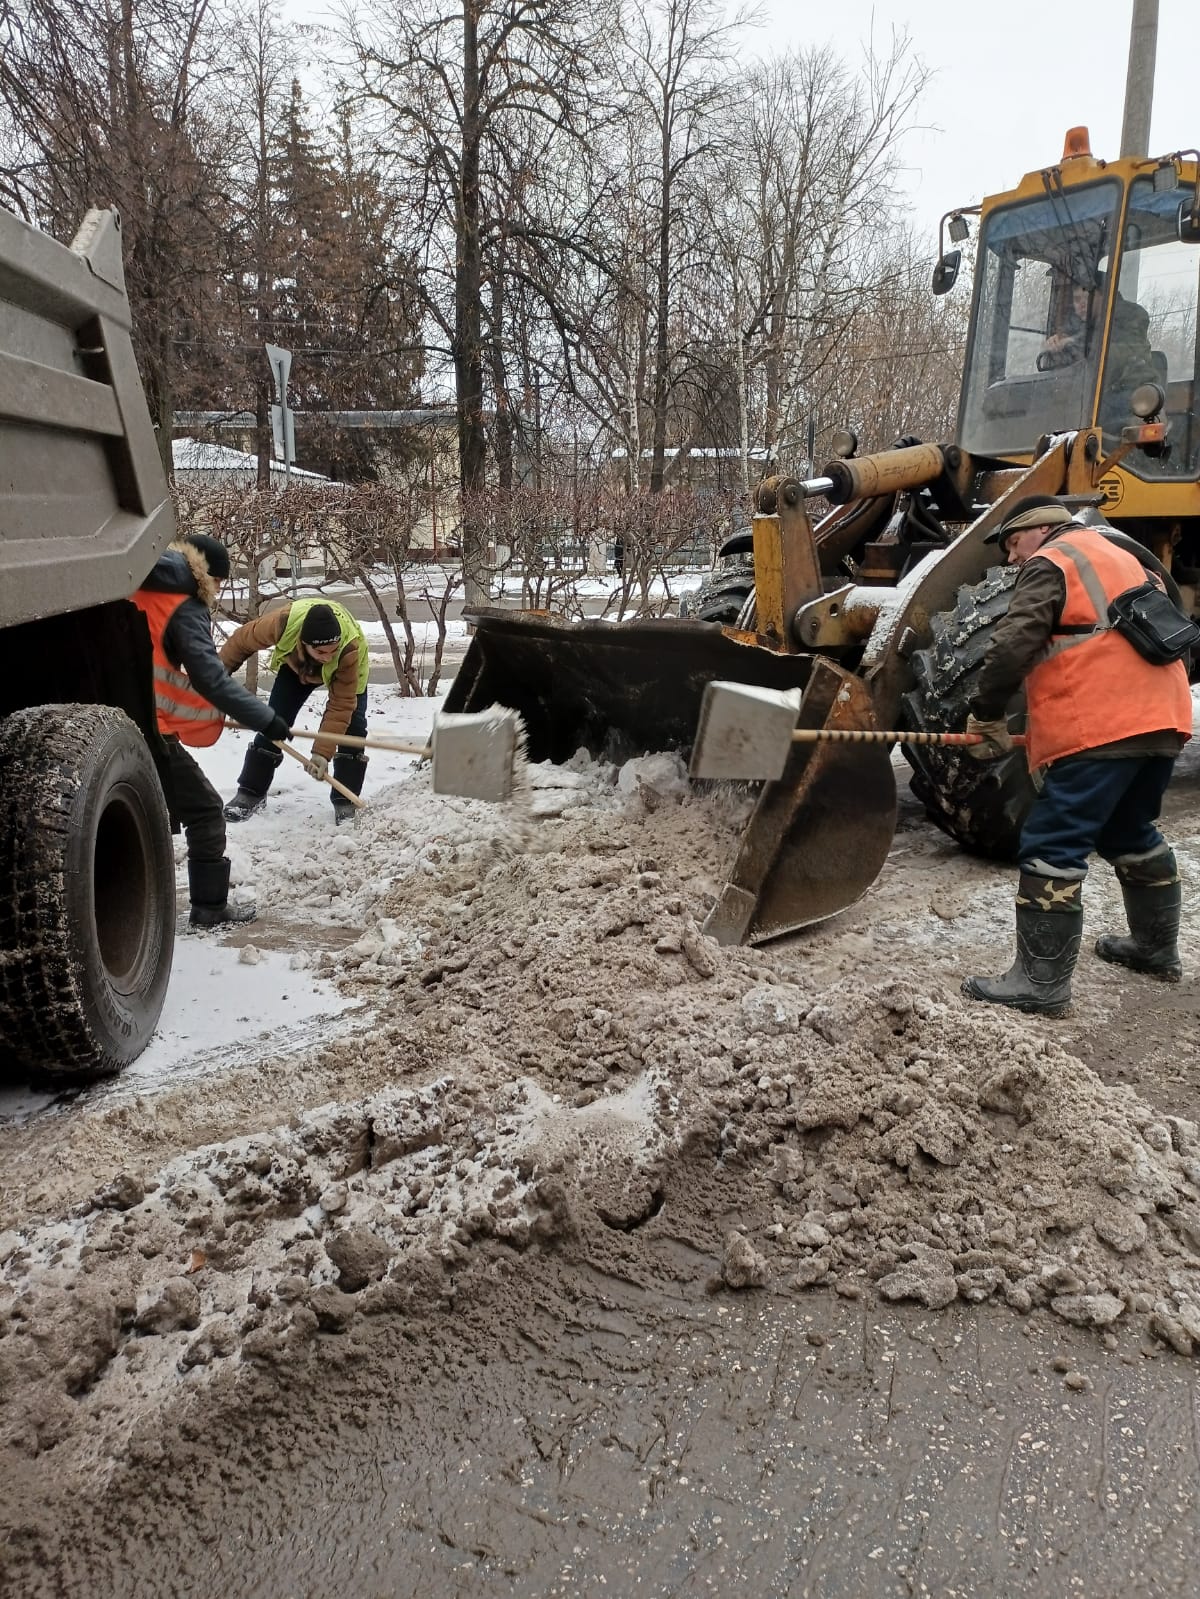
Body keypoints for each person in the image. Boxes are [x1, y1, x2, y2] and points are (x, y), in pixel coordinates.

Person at [962, 494, 1192, 1016]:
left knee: (1053, 841)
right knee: (1129, 830)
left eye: (1012, 544)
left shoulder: (1053, 561)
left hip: (1103, 726)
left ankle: (1040, 985)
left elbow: (1014, 643)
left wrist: (986, 713)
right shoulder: (1126, 556)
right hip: (1163, 719)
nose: (1011, 559)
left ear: (1039, 530)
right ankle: (1156, 950)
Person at [130, 534, 292, 927]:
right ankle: (210, 908)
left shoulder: (136, 579)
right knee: (205, 812)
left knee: (149, 813)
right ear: (211, 578)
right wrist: (267, 719)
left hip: (112, 719)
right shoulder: (185, 603)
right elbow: (211, 679)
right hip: (149, 731)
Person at [220, 598, 369, 824]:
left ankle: (345, 800)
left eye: (332, 650)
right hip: (298, 667)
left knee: (353, 729)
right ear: (304, 642)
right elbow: (240, 642)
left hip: (349, 673)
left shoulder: (347, 649)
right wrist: (213, 677)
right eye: (321, 651)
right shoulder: (281, 623)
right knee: (274, 719)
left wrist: (322, 753)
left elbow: (341, 705)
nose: (328, 656)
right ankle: (251, 792)